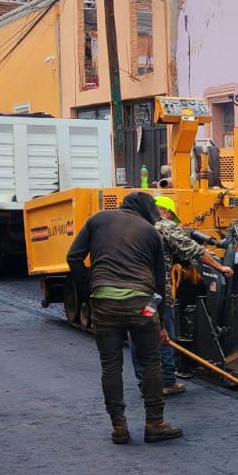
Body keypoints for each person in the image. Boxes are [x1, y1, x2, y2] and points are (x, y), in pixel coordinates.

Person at [65, 191, 183, 445]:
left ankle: (118, 426)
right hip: (143, 305)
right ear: (146, 210)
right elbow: (160, 284)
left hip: (104, 301)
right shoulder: (151, 232)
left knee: (110, 366)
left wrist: (90, 289)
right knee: (151, 362)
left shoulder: (97, 220)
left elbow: (73, 257)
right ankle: (154, 424)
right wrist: (161, 324)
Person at [137, 195, 233, 396]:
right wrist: (220, 267)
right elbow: (194, 251)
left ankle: (144, 383)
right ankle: (166, 381)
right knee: (163, 334)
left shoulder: (135, 225)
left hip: (133, 294)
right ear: (166, 212)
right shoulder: (164, 225)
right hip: (156, 296)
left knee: (139, 336)